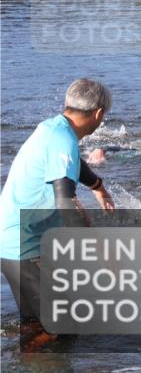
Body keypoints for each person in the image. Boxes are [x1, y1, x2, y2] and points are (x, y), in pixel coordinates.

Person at [0, 79, 116, 338]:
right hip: (25, 244)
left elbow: (72, 163)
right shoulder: (62, 140)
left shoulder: (55, 129)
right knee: (63, 329)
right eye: (103, 116)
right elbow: (65, 201)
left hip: (17, 239)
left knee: (37, 325)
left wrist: (98, 185)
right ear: (98, 114)